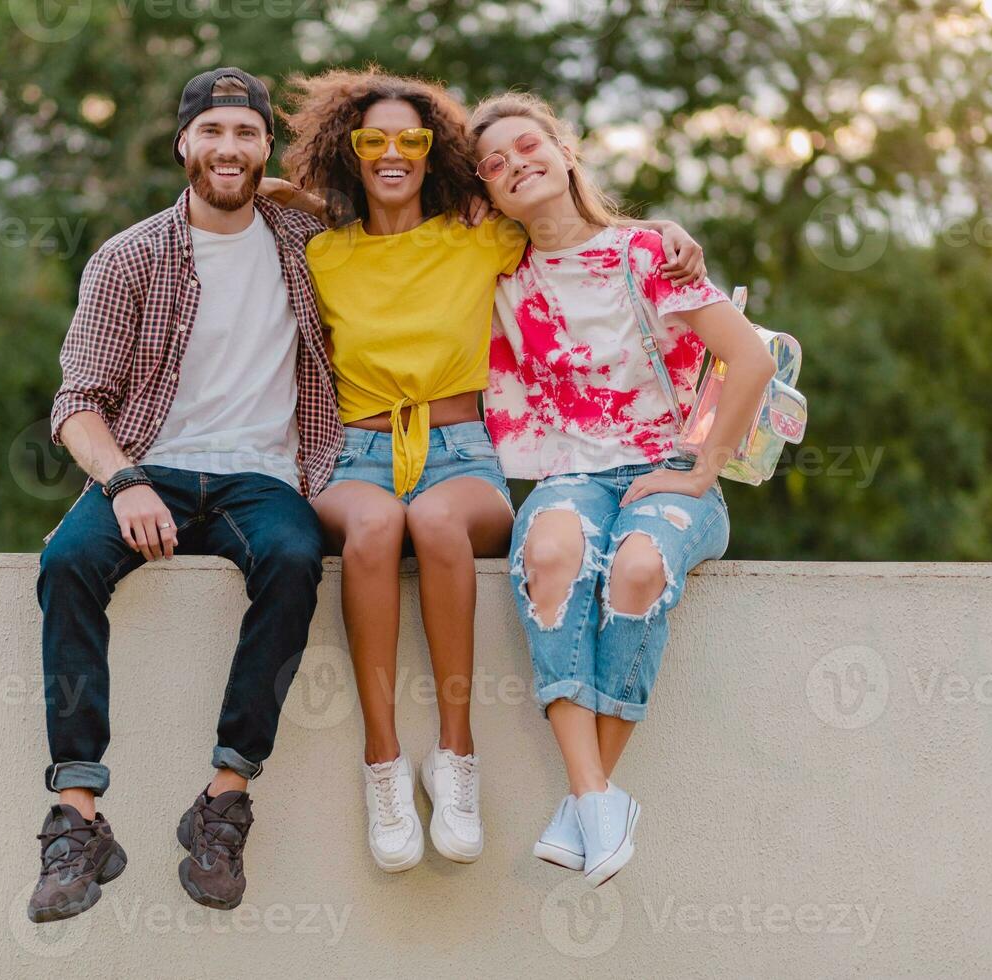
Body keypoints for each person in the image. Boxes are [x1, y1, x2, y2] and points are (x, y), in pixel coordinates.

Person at [268, 68, 705, 873]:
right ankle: (384, 765)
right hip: (357, 454)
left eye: (412, 138)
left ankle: (456, 759)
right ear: (348, 151)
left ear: (436, 151)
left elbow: (573, 223)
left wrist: (669, 232)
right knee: (372, 528)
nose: (393, 152)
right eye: (373, 140)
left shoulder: (480, 236)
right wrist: (293, 194)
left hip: (462, 454)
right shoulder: (322, 253)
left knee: (434, 522)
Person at [28, 67, 340, 920]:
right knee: (65, 565)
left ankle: (224, 800)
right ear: (183, 143)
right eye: (212, 134)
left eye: (246, 134)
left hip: (264, 477)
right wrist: (124, 479)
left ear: (267, 146)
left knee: (294, 558)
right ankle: (78, 813)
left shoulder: (305, 243)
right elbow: (77, 402)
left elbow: (376, 198)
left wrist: (269, 185)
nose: (228, 149)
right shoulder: (130, 256)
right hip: (153, 468)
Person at [469, 92, 776, 887]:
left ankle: (586, 802)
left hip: (666, 471)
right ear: (486, 194)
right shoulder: (496, 273)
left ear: (564, 150)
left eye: (528, 146)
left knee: (639, 569)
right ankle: (597, 798)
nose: (516, 166)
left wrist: (702, 466)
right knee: (552, 549)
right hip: (569, 476)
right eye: (494, 165)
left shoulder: (649, 253)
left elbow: (751, 361)